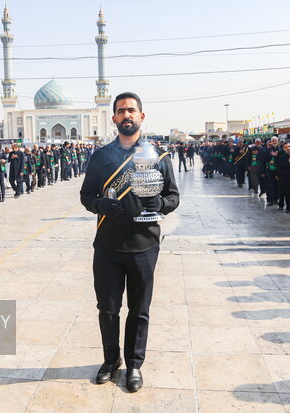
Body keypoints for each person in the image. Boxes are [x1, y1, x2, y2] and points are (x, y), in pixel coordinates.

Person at [80, 92, 179, 393]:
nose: (126, 115)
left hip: (144, 245)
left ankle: (134, 365)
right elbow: (85, 195)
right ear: (113, 118)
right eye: (121, 111)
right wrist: (99, 205)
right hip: (108, 246)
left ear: (141, 116)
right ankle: (112, 361)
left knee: (139, 309)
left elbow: (174, 198)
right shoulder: (101, 157)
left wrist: (157, 202)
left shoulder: (157, 156)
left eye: (131, 111)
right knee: (107, 309)